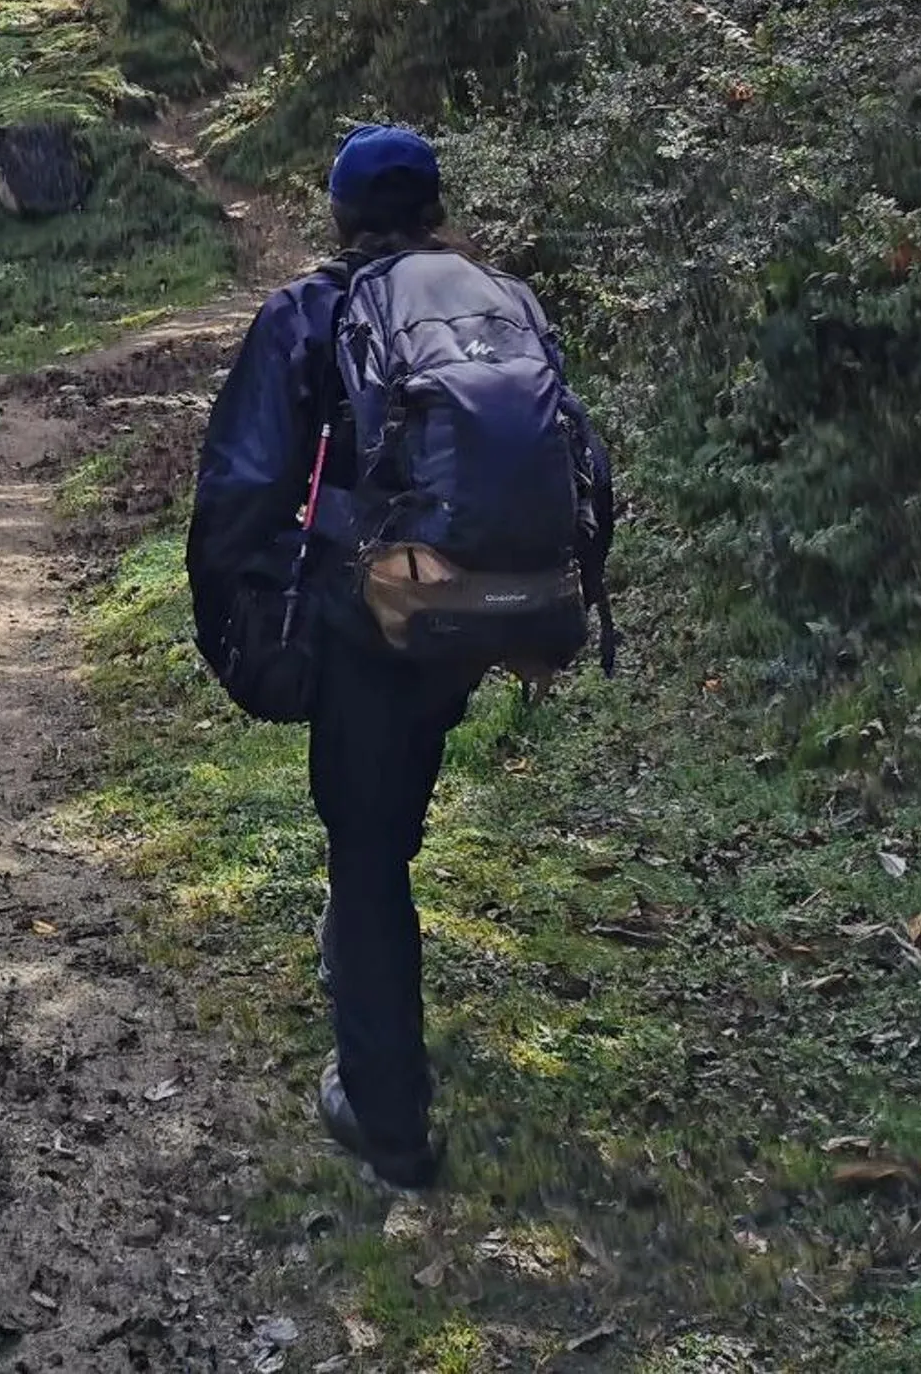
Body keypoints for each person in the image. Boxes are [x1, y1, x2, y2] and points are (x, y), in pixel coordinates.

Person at [185, 124, 613, 1190]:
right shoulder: (496, 301)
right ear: (433, 206)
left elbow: (239, 488)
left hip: (365, 612)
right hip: (482, 608)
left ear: (339, 215)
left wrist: (246, 619)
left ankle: (390, 1124)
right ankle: (360, 968)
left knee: (368, 850)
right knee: (390, 805)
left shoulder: (314, 311)